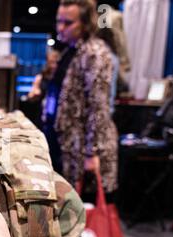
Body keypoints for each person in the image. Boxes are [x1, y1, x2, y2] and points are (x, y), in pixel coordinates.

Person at [45, 0, 118, 196]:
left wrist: (91, 153)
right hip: (66, 144)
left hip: (83, 150)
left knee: (85, 216)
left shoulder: (95, 52)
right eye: (58, 21)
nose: (61, 27)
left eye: (68, 23)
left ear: (85, 23)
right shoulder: (70, 49)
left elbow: (99, 106)